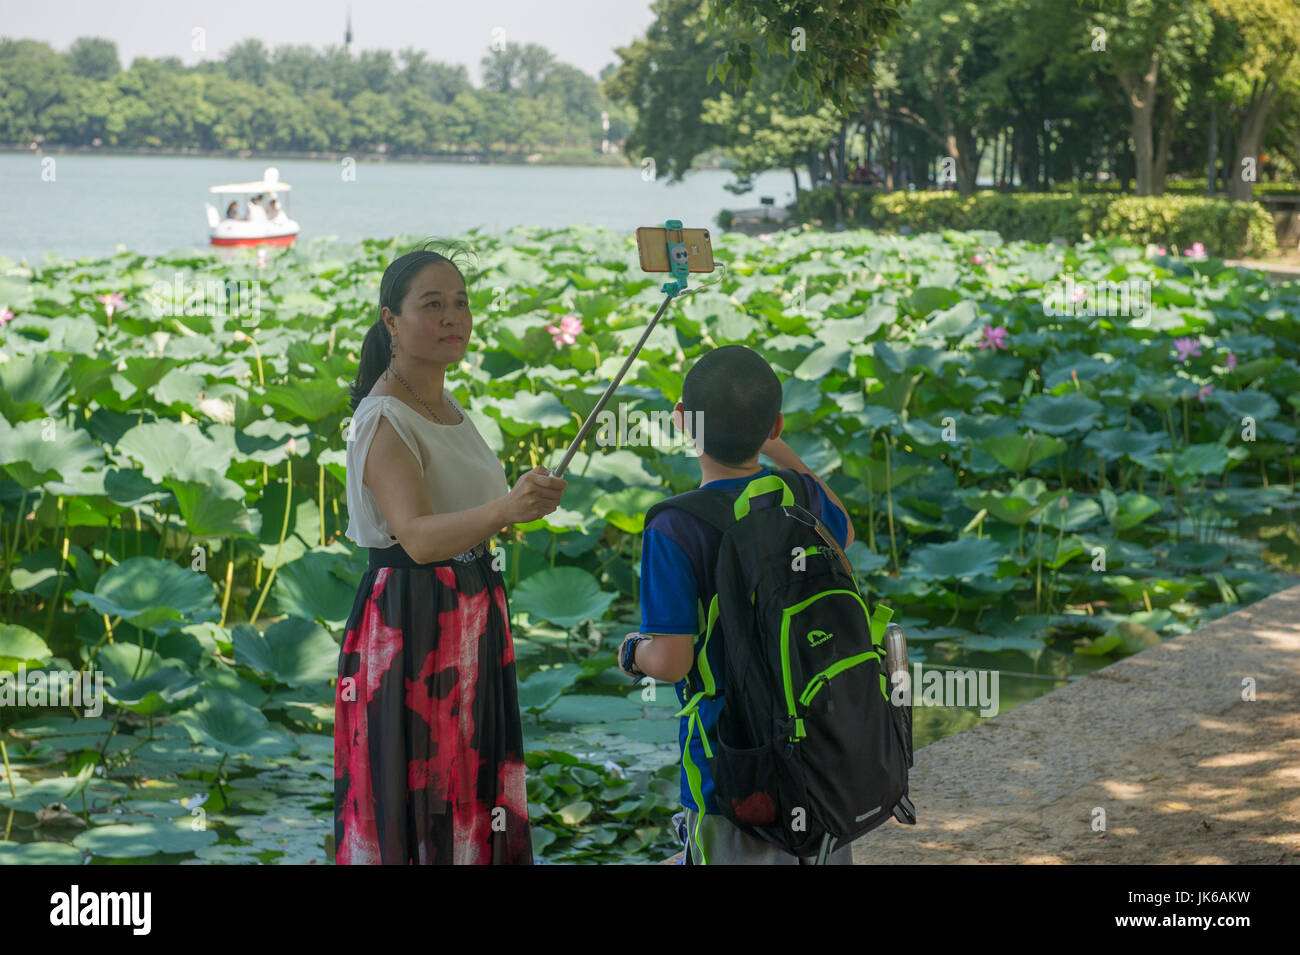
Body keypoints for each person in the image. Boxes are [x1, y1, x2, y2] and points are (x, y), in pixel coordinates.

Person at [337, 241, 568, 864]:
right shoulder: (385, 416)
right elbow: (415, 535)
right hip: (413, 621)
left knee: (473, 780)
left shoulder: (443, 402)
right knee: (425, 795)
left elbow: (466, 515)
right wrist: (505, 509)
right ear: (391, 319)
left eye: (461, 304)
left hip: (471, 612)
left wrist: (523, 500)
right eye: (432, 305)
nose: (452, 319)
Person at [618, 345, 856, 864]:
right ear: (775, 424)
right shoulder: (795, 496)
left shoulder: (674, 527)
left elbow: (673, 660)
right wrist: (783, 454)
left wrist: (632, 652)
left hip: (729, 766)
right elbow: (846, 529)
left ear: (683, 422)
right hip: (818, 748)